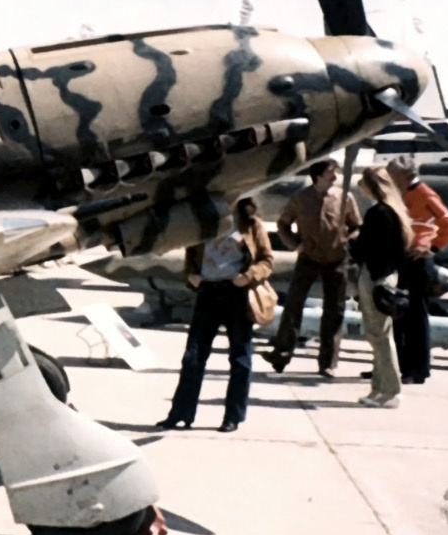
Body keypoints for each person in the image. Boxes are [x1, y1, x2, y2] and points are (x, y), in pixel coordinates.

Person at [158, 197, 275, 433]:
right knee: (193, 357)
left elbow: (267, 260)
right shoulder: (204, 220)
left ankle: (233, 416)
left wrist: (248, 275)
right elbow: (191, 253)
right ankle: (181, 414)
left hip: (237, 294)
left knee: (240, 359)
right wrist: (191, 275)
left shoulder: (251, 224)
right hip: (208, 292)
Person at [267, 159, 361, 376]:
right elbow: (283, 224)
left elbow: (356, 225)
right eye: (331, 172)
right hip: (308, 257)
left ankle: (328, 363)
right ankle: (281, 354)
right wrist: (295, 245)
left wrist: (349, 243)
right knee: (293, 306)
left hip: (337, 259)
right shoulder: (301, 198)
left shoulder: (344, 197)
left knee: (335, 311)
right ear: (317, 175)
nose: (335, 177)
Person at [386, 156, 448, 384]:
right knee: (396, 313)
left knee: (416, 317)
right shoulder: (398, 194)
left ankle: (417, 369)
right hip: (401, 257)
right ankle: (395, 365)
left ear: (405, 175)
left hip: (417, 260)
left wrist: (433, 247)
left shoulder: (424, 194)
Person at [351, 167, 412, 408]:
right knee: (379, 335)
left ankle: (390, 390)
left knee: (379, 336)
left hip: (375, 276)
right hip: (387, 276)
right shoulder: (394, 212)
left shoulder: (378, 213)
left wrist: (352, 242)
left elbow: (364, 249)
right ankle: (378, 388)